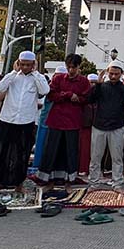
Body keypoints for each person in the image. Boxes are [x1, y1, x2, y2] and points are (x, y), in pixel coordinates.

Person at [0, 51, 49, 194]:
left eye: (28, 65)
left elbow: (45, 90)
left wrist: (37, 72)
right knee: (0, 153)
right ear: (18, 63)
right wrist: (14, 72)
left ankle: (18, 185)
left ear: (33, 65)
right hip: (7, 119)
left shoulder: (37, 78)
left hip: (26, 121)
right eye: (22, 64)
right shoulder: (12, 77)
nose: (25, 67)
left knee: (22, 155)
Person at [38, 54, 90, 192]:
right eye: (69, 67)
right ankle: (49, 180)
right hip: (56, 120)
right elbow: (50, 95)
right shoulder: (58, 78)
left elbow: (87, 98)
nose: (71, 70)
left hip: (73, 121)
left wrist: (77, 98)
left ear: (79, 67)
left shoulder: (84, 82)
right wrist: (66, 95)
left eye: (74, 67)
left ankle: (69, 181)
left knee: (71, 151)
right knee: (51, 150)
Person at [87, 63, 124, 191]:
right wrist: (98, 84)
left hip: (116, 126)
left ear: (121, 74)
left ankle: (118, 183)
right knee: (95, 157)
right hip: (99, 126)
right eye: (111, 74)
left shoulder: (123, 87)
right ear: (107, 73)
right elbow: (90, 99)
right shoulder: (101, 86)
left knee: (117, 158)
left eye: (116, 74)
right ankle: (94, 183)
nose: (113, 76)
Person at [78, 73, 98, 177]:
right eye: (91, 82)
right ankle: (83, 168)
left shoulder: (99, 94)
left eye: (95, 83)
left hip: (97, 126)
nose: (93, 85)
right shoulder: (83, 94)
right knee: (84, 149)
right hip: (84, 125)